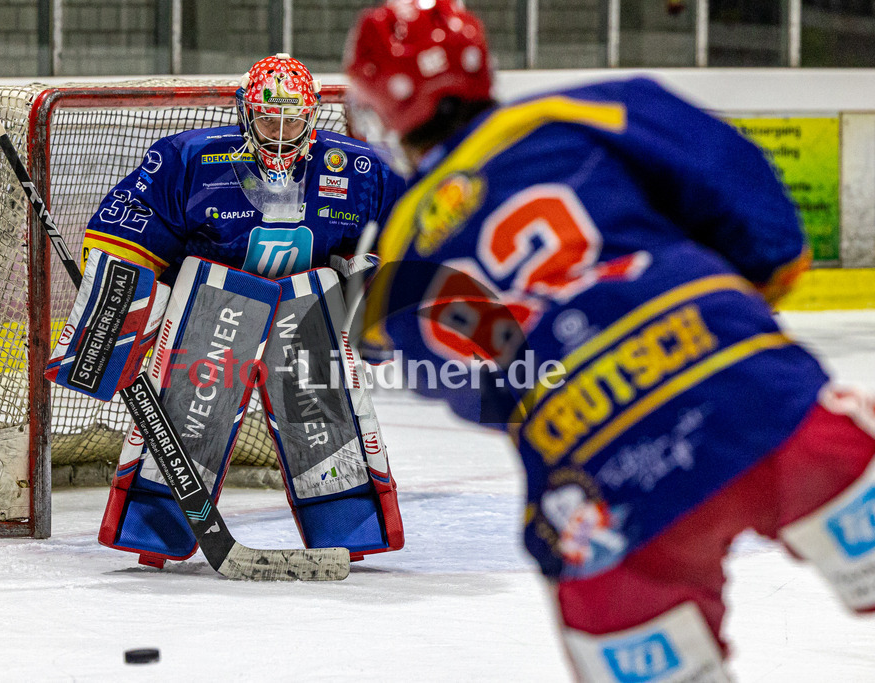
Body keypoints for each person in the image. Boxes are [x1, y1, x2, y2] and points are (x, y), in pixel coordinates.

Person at [344, 1, 875, 680]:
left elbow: (468, 393)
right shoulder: (590, 110)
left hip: (596, 494)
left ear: (381, 109)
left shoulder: (398, 256)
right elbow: (766, 222)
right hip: (762, 406)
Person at [80, 53, 406, 567]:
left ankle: (349, 530)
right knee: (188, 419)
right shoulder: (188, 160)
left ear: (313, 115)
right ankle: (153, 533)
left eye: (292, 119)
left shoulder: (361, 170)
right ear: (244, 113)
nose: (280, 132)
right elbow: (121, 239)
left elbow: (407, 241)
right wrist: (115, 328)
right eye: (268, 118)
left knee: (326, 425)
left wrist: (379, 310)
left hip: (307, 315)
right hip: (213, 307)